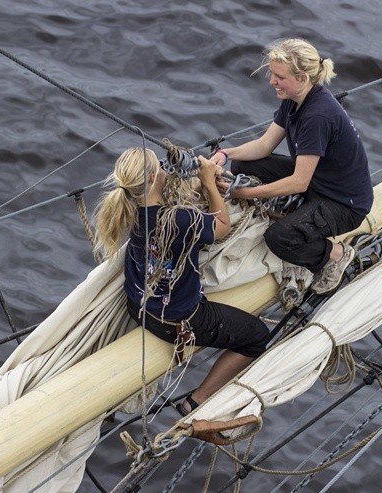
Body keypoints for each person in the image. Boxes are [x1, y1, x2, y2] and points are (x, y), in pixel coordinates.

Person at [93, 147, 270, 415]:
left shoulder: (130, 211)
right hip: (175, 321)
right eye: (161, 167)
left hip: (137, 307)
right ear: (153, 177)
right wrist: (209, 182)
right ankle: (194, 402)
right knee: (256, 337)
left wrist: (195, 185)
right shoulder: (180, 219)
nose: (166, 170)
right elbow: (221, 225)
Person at [210, 38, 374, 294]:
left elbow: (299, 182)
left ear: (302, 78)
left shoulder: (318, 116)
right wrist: (225, 153)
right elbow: (264, 146)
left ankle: (336, 254)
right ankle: (294, 213)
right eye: (272, 74)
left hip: (343, 204)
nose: (272, 81)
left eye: (279, 76)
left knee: (279, 238)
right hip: (318, 181)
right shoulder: (294, 100)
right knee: (244, 163)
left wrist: (244, 193)